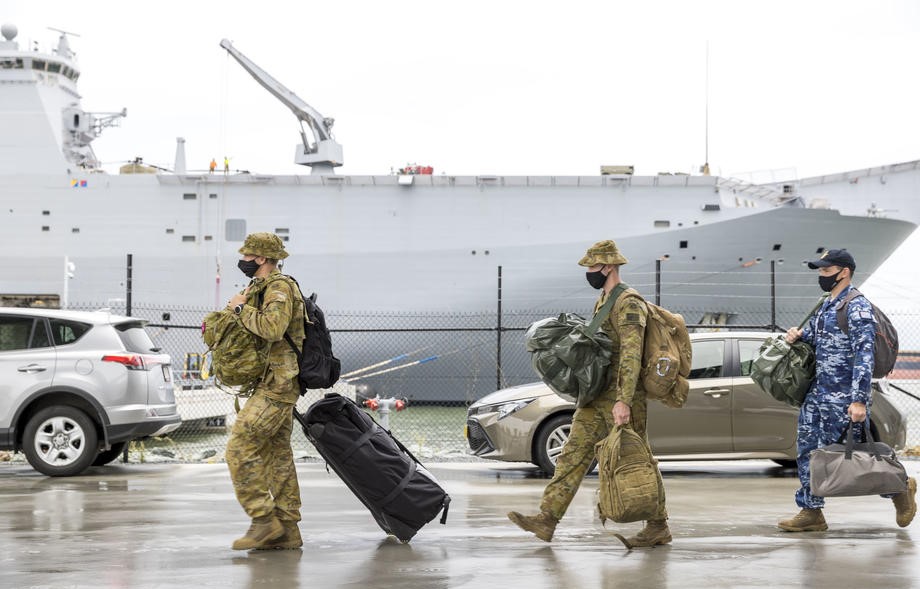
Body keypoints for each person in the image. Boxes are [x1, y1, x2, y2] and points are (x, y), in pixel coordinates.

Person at [507, 239, 671, 547]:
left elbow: (631, 355)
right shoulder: (604, 299)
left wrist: (623, 401)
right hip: (597, 393)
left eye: (593, 266)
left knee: (637, 459)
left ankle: (658, 525)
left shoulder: (629, 302)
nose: (590, 271)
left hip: (622, 395)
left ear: (608, 266)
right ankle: (547, 519)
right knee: (573, 453)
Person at [781, 248, 916, 531]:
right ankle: (811, 511)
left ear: (844, 272)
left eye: (826, 270)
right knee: (807, 449)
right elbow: (815, 339)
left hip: (844, 398)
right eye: (820, 270)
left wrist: (859, 401)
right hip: (818, 393)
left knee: (858, 456)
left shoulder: (857, 307)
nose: (822, 275)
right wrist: (798, 335)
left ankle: (900, 489)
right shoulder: (826, 305)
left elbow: (865, 356)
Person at [224, 232, 306, 550]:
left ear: (261, 258)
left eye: (247, 256)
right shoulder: (261, 287)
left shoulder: (279, 287)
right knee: (277, 455)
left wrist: (240, 309)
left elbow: (273, 328)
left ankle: (262, 520)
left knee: (239, 448)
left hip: (278, 386)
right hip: (274, 381)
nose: (242, 260)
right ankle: (287, 531)